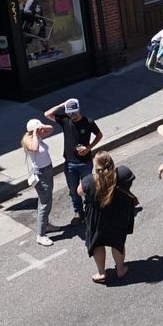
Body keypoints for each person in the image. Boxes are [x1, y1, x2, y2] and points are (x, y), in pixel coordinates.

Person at [78, 152, 137, 284]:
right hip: (118, 216)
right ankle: (121, 269)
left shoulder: (89, 181)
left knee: (98, 244)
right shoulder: (123, 174)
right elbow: (129, 183)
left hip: (97, 219)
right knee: (117, 242)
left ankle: (101, 273)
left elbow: (79, 191)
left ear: (96, 167)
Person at [43, 97, 102, 225]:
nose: (72, 115)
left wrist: (89, 148)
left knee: (87, 189)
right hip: (70, 163)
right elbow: (47, 114)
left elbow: (99, 135)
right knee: (73, 191)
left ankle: (89, 210)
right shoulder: (65, 120)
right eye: (69, 113)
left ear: (79, 109)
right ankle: (78, 213)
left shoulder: (89, 122)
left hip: (85, 162)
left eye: (74, 112)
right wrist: (62, 104)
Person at [21, 118, 56, 246]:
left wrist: (40, 127)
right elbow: (35, 148)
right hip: (41, 174)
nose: (41, 130)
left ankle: (45, 225)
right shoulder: (29, 140)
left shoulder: (38, 136)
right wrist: (35, 133)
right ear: (31, 131)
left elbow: (51, 129)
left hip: (47, 170)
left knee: (47, 200)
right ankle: (41, 235)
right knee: (45, 203)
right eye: (37, 128)